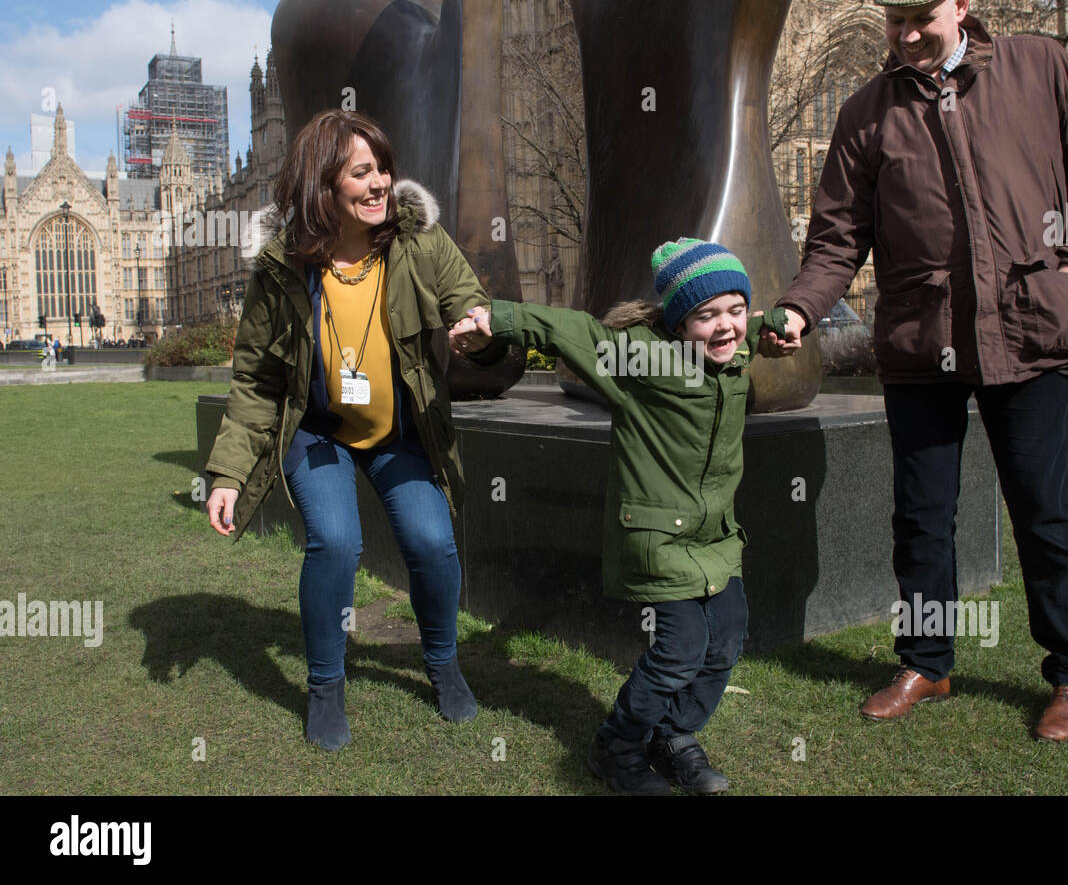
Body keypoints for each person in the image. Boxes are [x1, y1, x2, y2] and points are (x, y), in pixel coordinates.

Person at [761, 0, 1068, 742]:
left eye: (920, 21)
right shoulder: (866, 111)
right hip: (920, 340)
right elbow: (835, 239)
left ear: (961, 5)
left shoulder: (1039, 67)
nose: (905, 37)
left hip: (1031, 334)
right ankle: (926, 662)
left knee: (1044, 512)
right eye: (894, 24)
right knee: (923, 518)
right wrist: (799, 309)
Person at [204, 109, 498, 750]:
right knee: (334, 544)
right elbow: (255, 378)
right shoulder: (282, 267)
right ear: (322, 185)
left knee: (431, 542)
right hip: (319, 433)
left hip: (401, 431)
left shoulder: (419, 242)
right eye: (361, 172)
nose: (379, 184)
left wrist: (475, 329)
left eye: (383, 169)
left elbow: (467, 299)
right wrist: (227, 474)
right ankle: (325, 685)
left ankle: (443, 663)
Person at [450, 239, 787, 793]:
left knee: (726, 639)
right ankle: (617, 747)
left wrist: (789, 319)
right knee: (679, 651)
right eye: (706, 315)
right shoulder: (641, 360)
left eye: (734, 310)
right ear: (679, 323)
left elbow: (761, 325)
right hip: (661, 536)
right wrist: (496, 319)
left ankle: (674, 736)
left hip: (716, 536)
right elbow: (567, 330)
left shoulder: (736, 345)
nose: (726, 327)